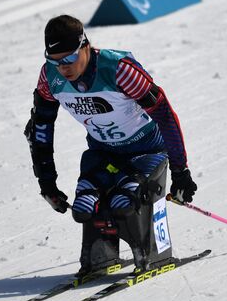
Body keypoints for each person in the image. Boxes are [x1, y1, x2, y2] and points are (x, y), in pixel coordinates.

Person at [24, 14, 197, 273]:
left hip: (146, 150)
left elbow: (165, 115)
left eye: (70, 58)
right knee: (83, 207)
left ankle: (152, 252)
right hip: (103, 153)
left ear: (85, 46)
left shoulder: (119, 69)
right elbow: (40, 126)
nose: (64, 68)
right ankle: (99, 257)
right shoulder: (50, 77)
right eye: (55, 61)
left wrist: (180, 170)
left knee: (124, 202)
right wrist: (46, 182)